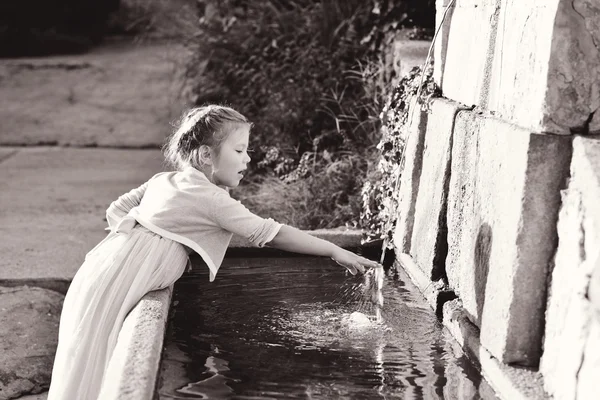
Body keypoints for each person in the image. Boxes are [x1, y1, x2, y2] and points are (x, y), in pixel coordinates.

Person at [47, 105, 381, 400]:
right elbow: (271, 233)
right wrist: (335, 251)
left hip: (104, 265)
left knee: (89, 353)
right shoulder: (212, 199)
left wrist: (143, 240)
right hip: (125, 277)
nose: (248, 158)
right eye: (239, 150)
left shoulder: (165, 179)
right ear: (207, 156)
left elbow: (118, 209)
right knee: (105, 358)